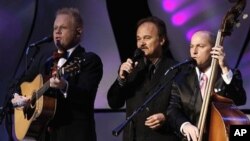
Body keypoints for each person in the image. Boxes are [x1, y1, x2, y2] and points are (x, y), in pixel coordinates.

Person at [11, 7, 103, 141]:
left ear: (78, 32)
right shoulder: (44, 59)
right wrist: (18, 98)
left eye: (63, 28)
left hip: (74, 135)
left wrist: (65, 86)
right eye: (55, 28)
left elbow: (86, 96)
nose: (57, 32)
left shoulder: (89, 60)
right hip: (44, 136)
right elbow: (20, 82)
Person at [107, 16, 179, 141]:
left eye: (147, 38)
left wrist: (166, 118)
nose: (141, 44)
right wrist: (121, 79)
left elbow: (186, 108)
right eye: (138, 39)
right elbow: (114, 103)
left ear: (162, 40)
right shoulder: (131, 68)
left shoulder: (176, 69)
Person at [166, 30, 247, 141]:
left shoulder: (228, 74)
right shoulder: (181, 80)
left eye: (200, 46)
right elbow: (172, 109)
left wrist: (224, 68)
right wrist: (185, 125)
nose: (194, 52)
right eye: (191, 46)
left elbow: (240, 99)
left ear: (214, 50)